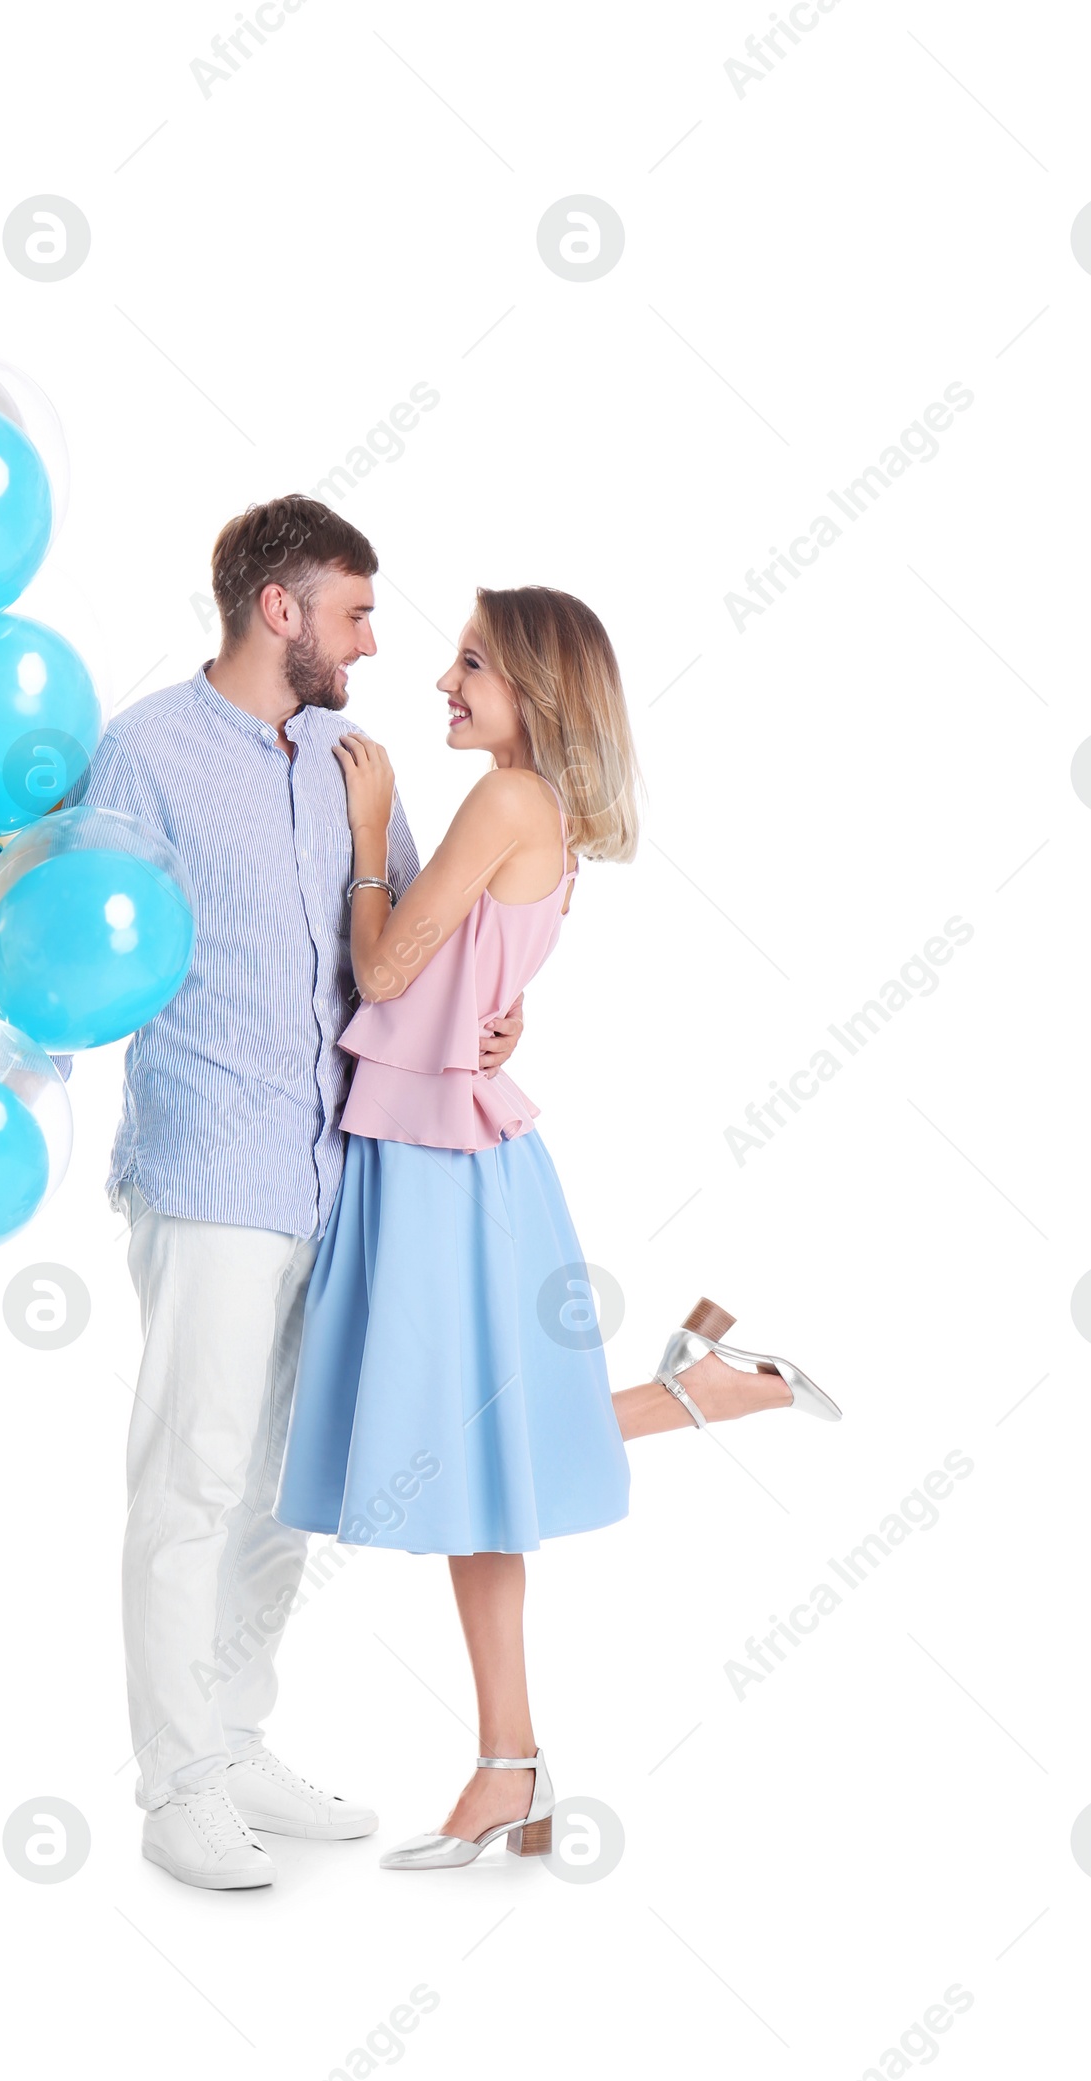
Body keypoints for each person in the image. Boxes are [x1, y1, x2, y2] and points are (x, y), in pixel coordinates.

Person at [275, 584, 840, 1871]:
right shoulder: (547, 817)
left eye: (470, 663)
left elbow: (383, 968)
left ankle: (511, 1762)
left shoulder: (512, 800)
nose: (442, 682)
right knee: (482, 1458)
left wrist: (370, 830)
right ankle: (512, 1760)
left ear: (533, 682)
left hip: (440, 1157)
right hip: (444, 1145)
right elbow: (477, 972)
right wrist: (494, 1008)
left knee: (473, 1451)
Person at [59, 498, 528, 1890]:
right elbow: (71, 952)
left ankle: (235, 1736)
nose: (376, 645)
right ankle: (175, 1783)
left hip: (345, 1173)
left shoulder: (351, 758)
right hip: (209, 1167)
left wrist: (494, 1028)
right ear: (282, 609)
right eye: (357, 615)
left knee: (278, 1490)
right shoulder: (143, 754)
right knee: (192, 1479)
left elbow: (424, 934)